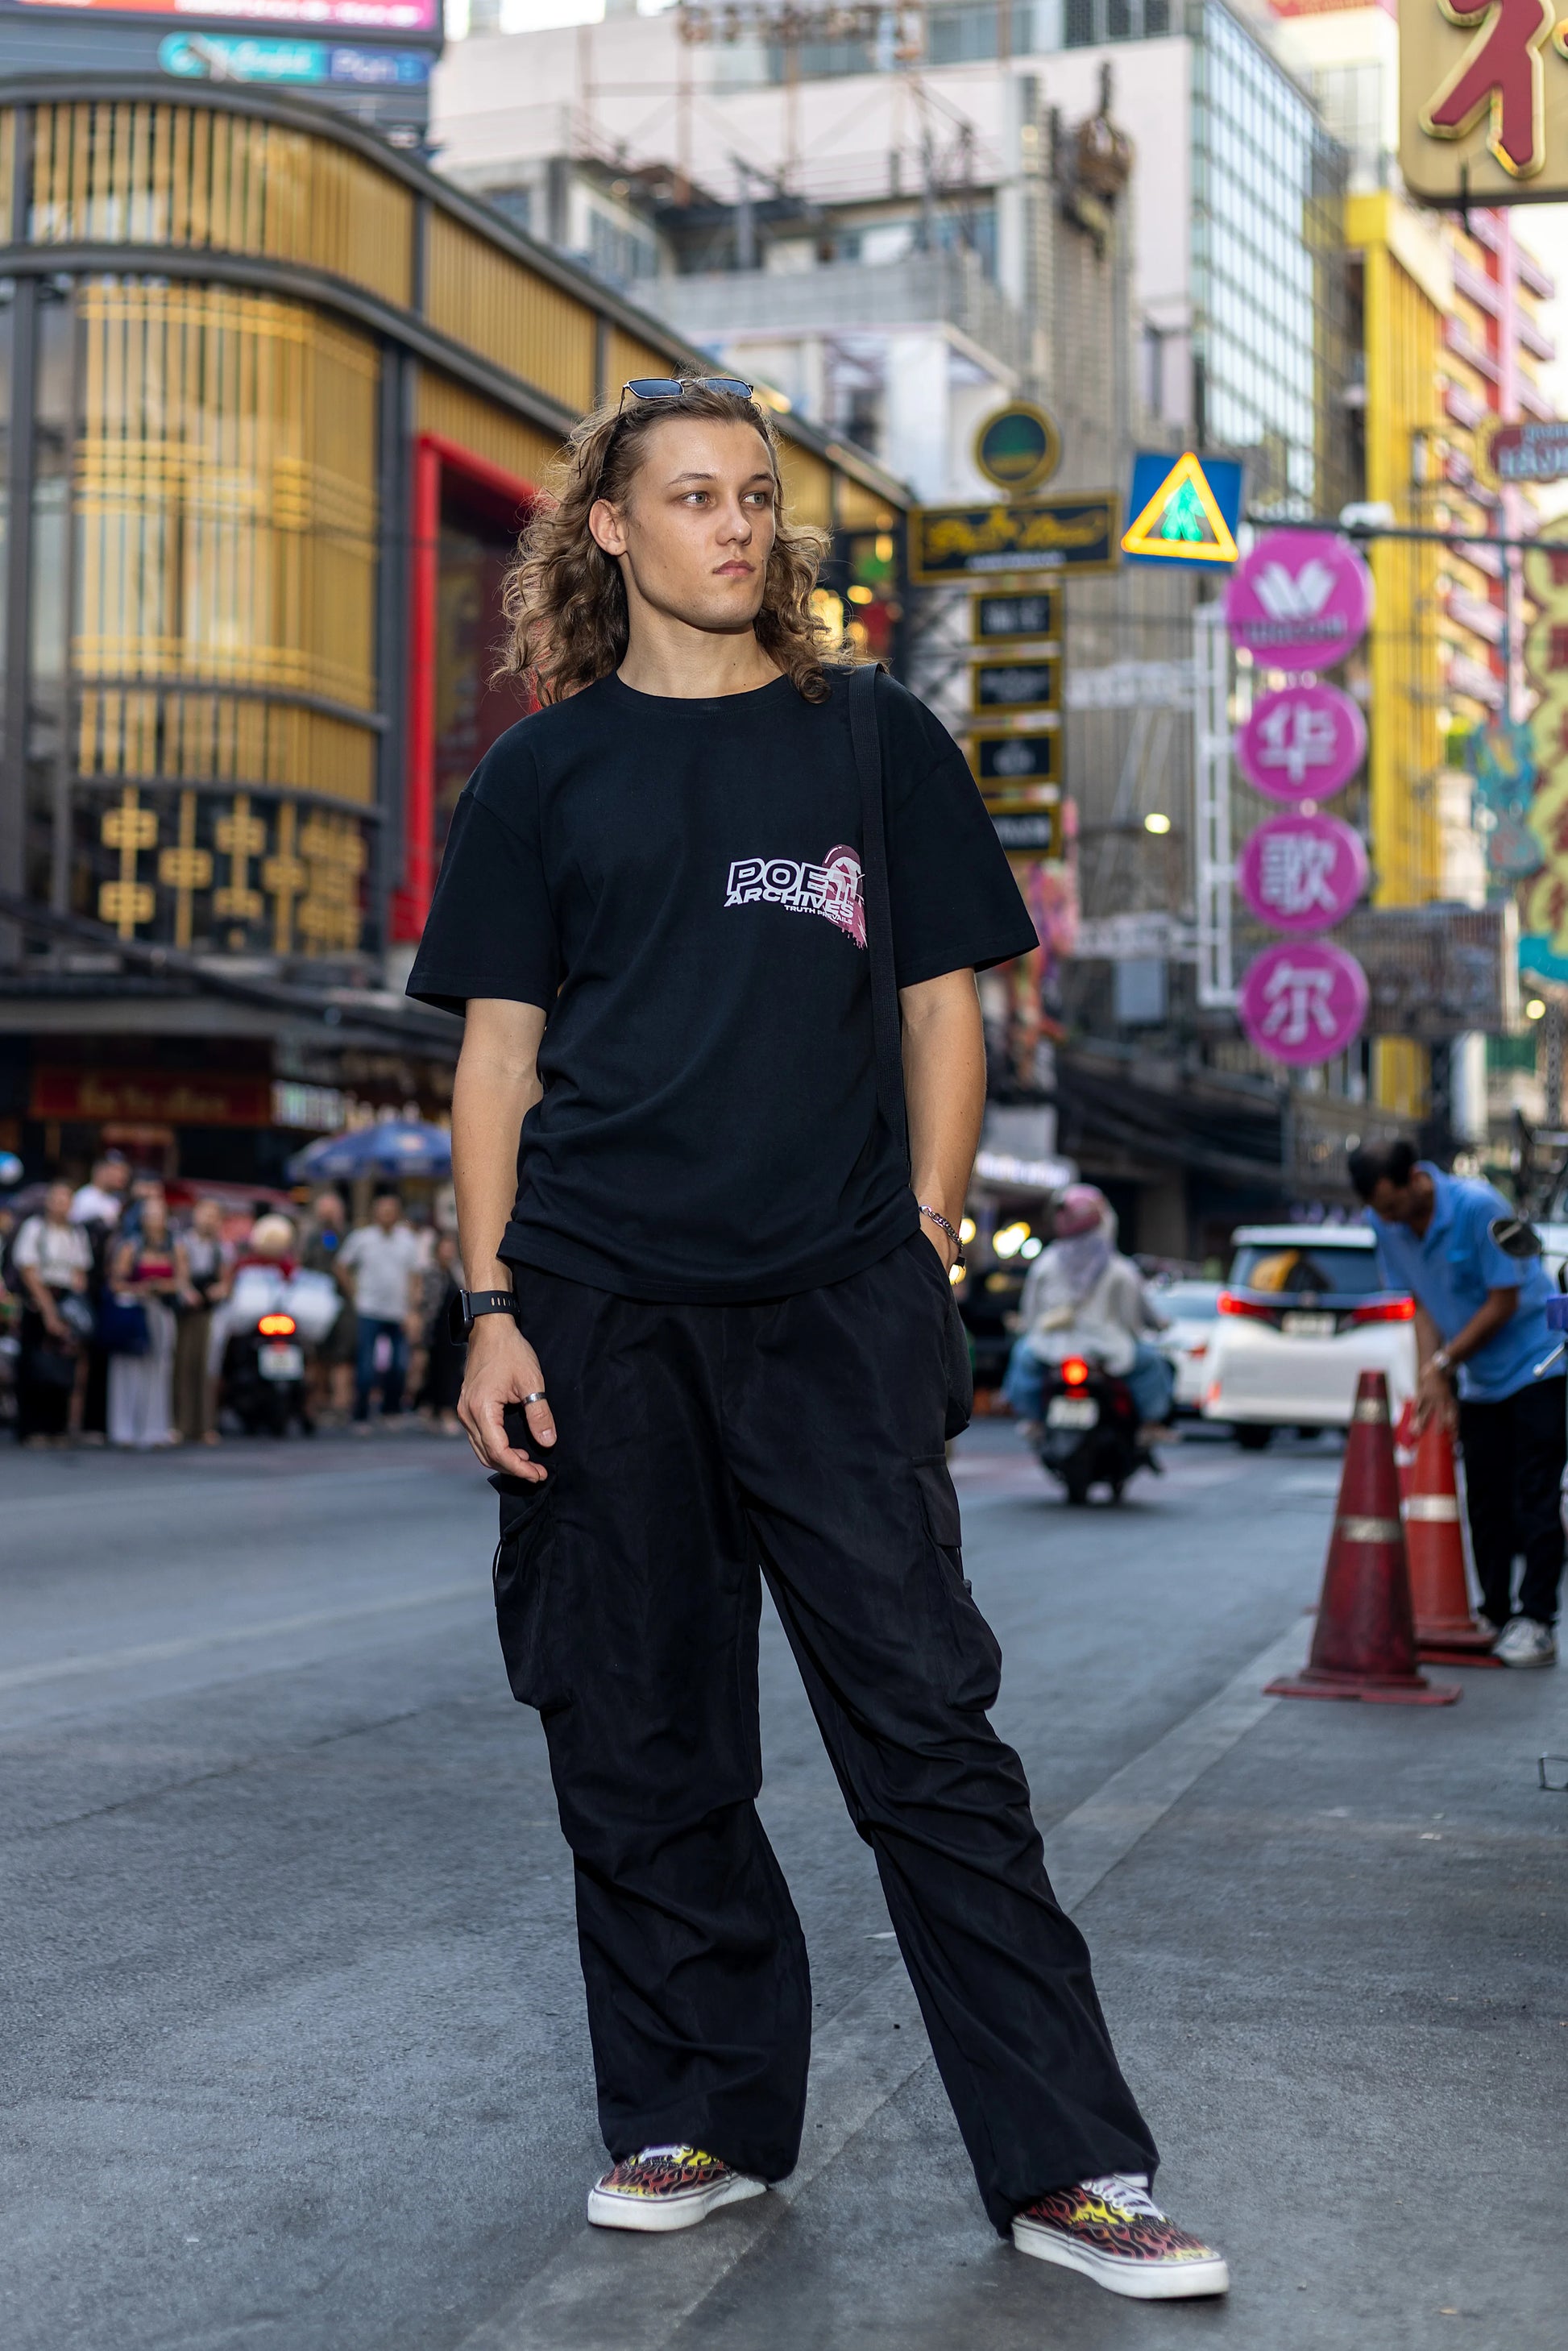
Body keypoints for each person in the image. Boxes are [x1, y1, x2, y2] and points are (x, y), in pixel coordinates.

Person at [406, 375, 1227, 2299]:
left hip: (833, 1300)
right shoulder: (541, 774)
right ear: (609, 530)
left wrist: (927, 1248)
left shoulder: (870, 739)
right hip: (597, 1300)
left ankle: (1076, 2162)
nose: (735, 524)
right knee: (639, 1731)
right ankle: (696, 2112)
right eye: (691, 495)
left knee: (930, 1734)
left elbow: (949, 1012)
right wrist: (494, 1300)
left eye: (757, 494)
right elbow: (500, 1057)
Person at [1350, 1138, 1562, 1668]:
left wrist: (1444, 1364)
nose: (1391, 1219)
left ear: (1416, 1179)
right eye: (1381, 1212)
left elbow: (1504, 1301)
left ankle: (1536, 1620)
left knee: (1533, 1496)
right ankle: (1492, 1612)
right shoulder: (1386, 1225)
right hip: (1480, 1380)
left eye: (1394, 1206)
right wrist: (1433, 1375)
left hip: (1538, 1364)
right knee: (1485, 1499)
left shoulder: (1480, 1207)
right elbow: (1420, 1301)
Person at [1002, 1186, 1174, 1441]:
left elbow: (1030, 1313)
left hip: (1050, 1348)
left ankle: (1033, 1421)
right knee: (1152, 1363)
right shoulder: (1120, 1269)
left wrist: (1028, 1328)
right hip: (1110, 1350)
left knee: (1022, 1356)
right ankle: (1150, 1425)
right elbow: (1134, 1320)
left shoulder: (1045, 1265)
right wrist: (1154, 1327)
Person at [13, 1182, 93, 1447]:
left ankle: (57, 1427)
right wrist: (49, 1311)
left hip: (66, 1301)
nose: (61, 1205)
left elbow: (81, 1271)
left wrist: (71, 1310)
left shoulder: (76, 1233)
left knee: (63, 1367)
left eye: (66, 1200)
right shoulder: (35, 1228)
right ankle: (32, 1428)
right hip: (40, 1301)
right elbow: (29, 1270)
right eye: (57, 1199)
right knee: (36, 1367)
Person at [338, 1190, 424, 1427]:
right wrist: (354, 1293)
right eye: (383, 1210)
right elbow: (342, 1265)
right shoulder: (362, 1238)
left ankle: (391, 1409)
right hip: (369, 1309)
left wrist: (413, 1309)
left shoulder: (407, 1239)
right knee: (366, 1365)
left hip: (398, 1311)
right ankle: (361, 1413)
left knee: (399, 1365)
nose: (387, 1215)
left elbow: (414, 1276)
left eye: (391, 1211)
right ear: (376, 1213)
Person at [106, 1190, 184, 1448]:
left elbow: (182, 1282)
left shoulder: (175, 1246)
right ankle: (124, 1429)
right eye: (149, 1214)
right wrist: (139, 1289)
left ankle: (154, 1429)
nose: (154, 1219)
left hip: (160, 1312)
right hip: (135, 1311)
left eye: (159, 1214)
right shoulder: (131, 1246)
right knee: (128, 1369)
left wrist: (162, 1286)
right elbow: (116, 1281)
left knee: (159, 1369)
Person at [174, 1197, 230, 1445]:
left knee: (207, 1367)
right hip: (186, 1310)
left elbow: (226, 1281)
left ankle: (205, 1425)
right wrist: (187, 1292)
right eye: (205, 1214)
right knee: (183, 1365)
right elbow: (181, 1274)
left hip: (210, 1311)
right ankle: (181, 1424)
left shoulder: (222, 1248)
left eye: (213, 1215)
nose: (208, 1220)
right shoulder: (183, 1242)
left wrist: (219, 1290)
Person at [300, 1190, 355, 1423]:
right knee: (318, 1353)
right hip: (316, 1301)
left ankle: (341, 1403)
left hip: (342, 1302)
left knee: (343, 1354)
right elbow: (303, 1264)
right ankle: (319, 1401)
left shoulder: (350, 1236)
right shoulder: (312, 1237)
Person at [68, 1153, 128, 1230]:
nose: (123, 1176)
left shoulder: (116, 1199)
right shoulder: (84, 1198)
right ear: (101, 1171)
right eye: (117, 1170)